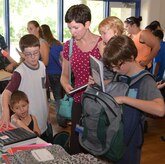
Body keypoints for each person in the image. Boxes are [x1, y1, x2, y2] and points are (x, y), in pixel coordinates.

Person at [102, 35, 165, 163]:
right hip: (116, 136)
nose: (115, 70)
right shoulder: (121, 73)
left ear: (131, 58)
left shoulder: (145, 80)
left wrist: (125, 99)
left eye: (117, 66)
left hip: (131, 142)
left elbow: (160, 109)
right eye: (112, 67)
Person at [60, 4, 101, 155]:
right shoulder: (69, 46)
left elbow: (114, 75)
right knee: (77, 138)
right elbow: (64, 74)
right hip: (78, 101)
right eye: (70, 28)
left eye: (76, 27)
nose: (72, 32)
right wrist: (65, 83)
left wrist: (100, 80)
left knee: (96, 141)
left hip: (98, 103)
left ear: (88, 24)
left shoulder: (102, 44)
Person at [0, 34, 50, 142]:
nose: (33, 57)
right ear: (22, 54)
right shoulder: (19, 72)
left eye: (36, 53)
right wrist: (5, 112)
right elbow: (6, 94)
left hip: (43, 118)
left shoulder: (42, 66)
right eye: (28, 54)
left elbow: (44, 91)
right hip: (29, 122)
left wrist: (48, 114)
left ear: (39, 50)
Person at [41, 24, 63, 109]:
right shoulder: (58, 44)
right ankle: (60, 117)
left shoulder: (42, 45)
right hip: (58, 73)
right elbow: (63, 59)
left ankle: (46, 116)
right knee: (58, 97)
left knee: (44, 96)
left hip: (45, 73)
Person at [98, 16, 124, 84]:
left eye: (104, 33)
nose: (101, 36)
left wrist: (103, 54)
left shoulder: (121, 48)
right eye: (101, 33)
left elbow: (119, 72)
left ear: (116, 33)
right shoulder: (105, 46)